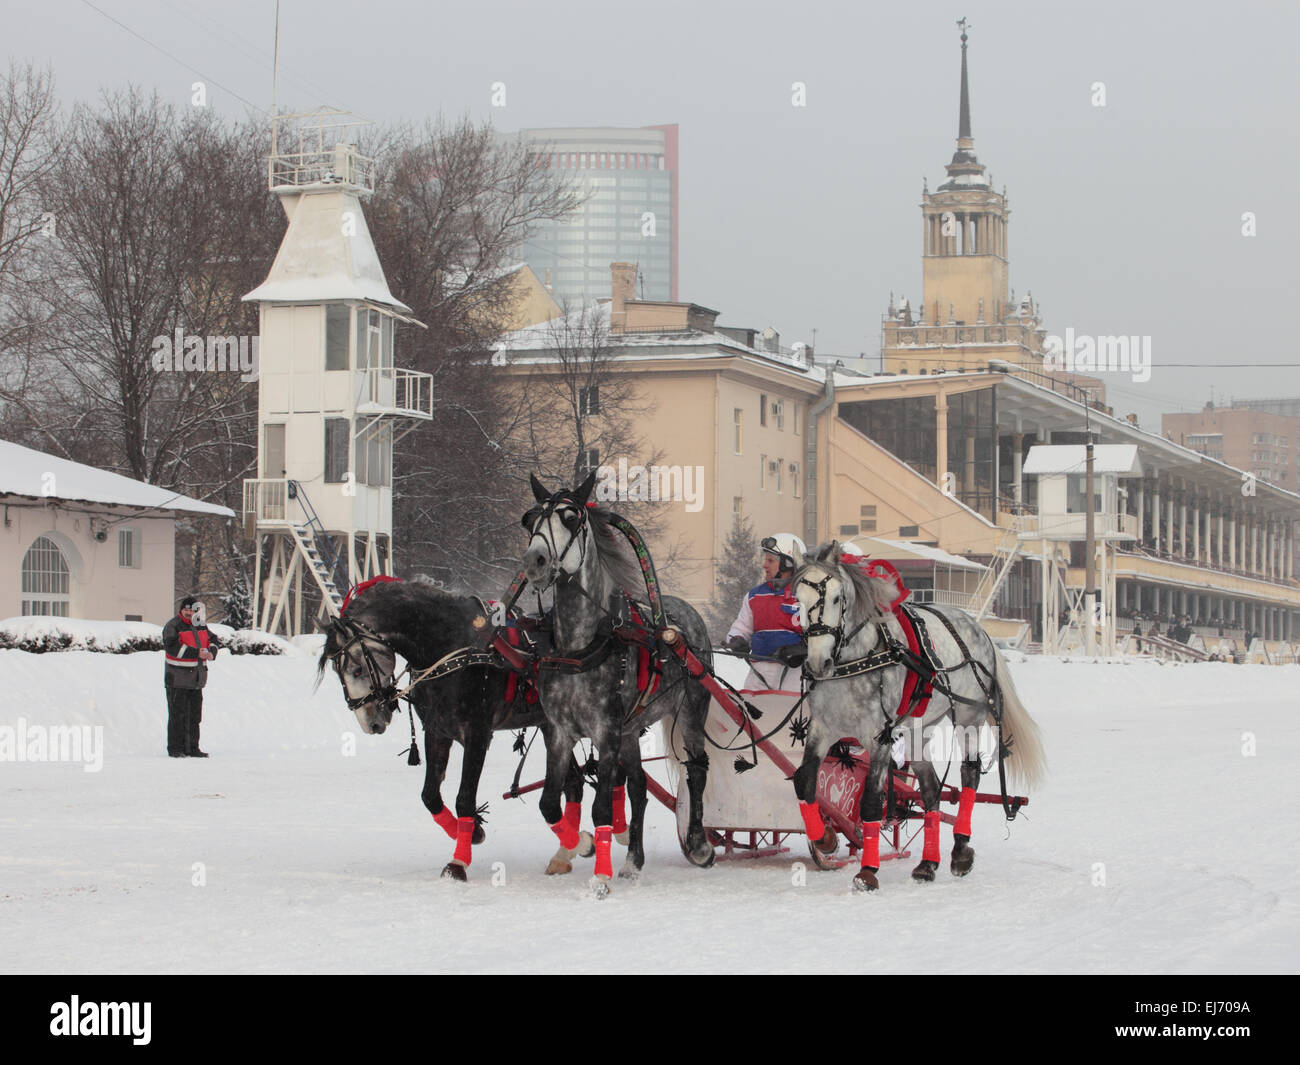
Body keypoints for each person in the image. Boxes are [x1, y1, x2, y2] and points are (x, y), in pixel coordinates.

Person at [726, 533, 806, 689]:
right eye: (765, 560)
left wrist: (803, 648)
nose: (764, 565)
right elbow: (741, 627)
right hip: (759, 673)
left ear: (787, 563)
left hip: (795, 673)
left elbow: (821, 635)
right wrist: (736, 639)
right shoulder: (753, 596)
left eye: (770, 560)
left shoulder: (806, 595)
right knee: (748, 711)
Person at [163, 596, 216, 757]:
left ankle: (192, 748)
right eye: (185, 609)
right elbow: (171, 646)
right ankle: (176, 749)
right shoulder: (173, 626)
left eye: (191, 610)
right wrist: (196, 653)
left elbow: (213, 640)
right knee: (177, 716)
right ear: (181, 610)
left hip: (196, 680)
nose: (188, 613)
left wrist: (212, 652)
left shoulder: (200, 625)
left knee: (194, 717)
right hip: (177, 679)